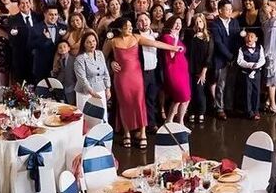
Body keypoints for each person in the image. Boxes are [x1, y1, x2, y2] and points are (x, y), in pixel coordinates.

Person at [106, 16, 180, 147]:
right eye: (126, 26)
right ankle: (127, 134)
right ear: (119, 28)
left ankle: (143, 133)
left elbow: (155, 43)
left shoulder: (136, 37)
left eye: (130, 26)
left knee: (140, 103)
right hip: (121, 77)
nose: (129, 28)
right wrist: (111, 62)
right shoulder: (112, 41)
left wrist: (173, 48)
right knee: (124, 105)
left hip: (137, 76)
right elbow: (102, 56)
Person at [208, 0, 239, 119]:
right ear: (220, 10)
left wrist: (234, 56)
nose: (230, 11)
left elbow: (236, 40)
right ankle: (219, 108)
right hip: (221, 58)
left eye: (231, 9)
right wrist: (229, 56)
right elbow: (218, 42)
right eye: (227, 9)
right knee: (221, 85)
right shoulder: (215, 24)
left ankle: (229, 107)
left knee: (231, 84)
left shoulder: (234, 22)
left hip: (234, 58)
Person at [159, 16, 191, 124]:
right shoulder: (167, 37)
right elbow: (172, 52)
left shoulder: (177, 37)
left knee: (186, 97)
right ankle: (169, 120)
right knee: (180, 96)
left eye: (180, 23)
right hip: (173, 71)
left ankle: (180, 121)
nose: (178, 25)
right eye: (176, 23)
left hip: (183, 71)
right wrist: (176, 38)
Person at [185, 14, 213, 124]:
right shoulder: (190, 35)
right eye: (196, 22)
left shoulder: (208, 37)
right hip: (189, 68)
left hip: (201, 69)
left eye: (200, 22)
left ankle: (201, 112)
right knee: (190, 91)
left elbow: (209, 55)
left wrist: (204, 72)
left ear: (204, 23)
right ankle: (191, 111)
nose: (198, 24)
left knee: (199, 91)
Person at [73, 31, 110, 111]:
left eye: (93, 41)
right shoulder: (80, 59)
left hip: (100, 89)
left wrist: (108, 88)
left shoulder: (100, 54)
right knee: (87, 117)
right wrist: (92, 92)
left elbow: (105, 72)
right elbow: (82, 79)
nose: (92, 44)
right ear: (84, 44)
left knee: (101, 116)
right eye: (88, 42)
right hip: (85, 92)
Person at [10, 0, 41, 85]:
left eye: (27, 3)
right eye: (22, 3)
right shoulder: (13, 20)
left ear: (30, 4)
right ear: (18, 6)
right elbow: (12, 39)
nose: (25, 5)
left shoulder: (38, 17)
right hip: (21, 58)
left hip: (36, 57)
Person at [237, 30, 267, 120]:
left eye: (252, 36)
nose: (249, 38)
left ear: (256, 39)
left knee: (256, 91)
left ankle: (256, 110)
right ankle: (249, 111)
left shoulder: (259, 47)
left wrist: (256, 65)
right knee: (247, 92)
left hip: (257, 73)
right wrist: (249, 65)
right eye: (248, 36)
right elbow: (240, 61)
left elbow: (262, 59)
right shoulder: (241, 49)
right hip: (246, 73)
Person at [51, 40, 76, 104]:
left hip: (71, 88)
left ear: (69, 48)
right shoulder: (57, 61)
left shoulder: (74, 60)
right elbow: (55, 75)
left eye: (64, 46)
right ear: (58, 50)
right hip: (60, 88)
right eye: (60, 47)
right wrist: (54, 72)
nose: (62, 49)